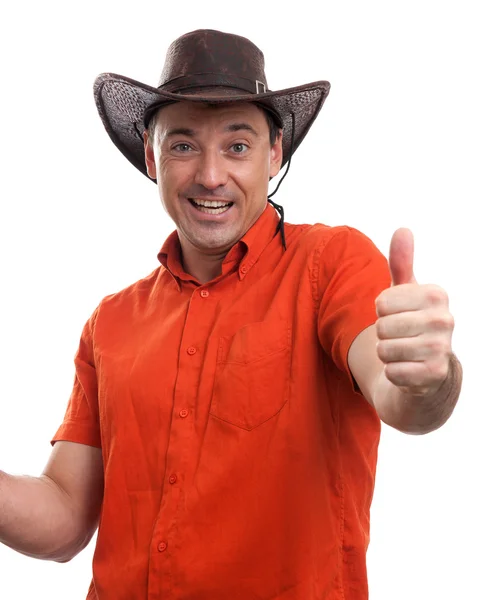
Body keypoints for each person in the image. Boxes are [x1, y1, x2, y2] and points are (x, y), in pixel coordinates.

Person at [0, 29, 462, 600]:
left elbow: (403, 400)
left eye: (238, 146)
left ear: (275, 154)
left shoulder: (331, 264)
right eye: (184, 145)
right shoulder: (110, 322)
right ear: (152, 156)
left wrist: (428, 376)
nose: (211, 175)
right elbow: (67, 519)